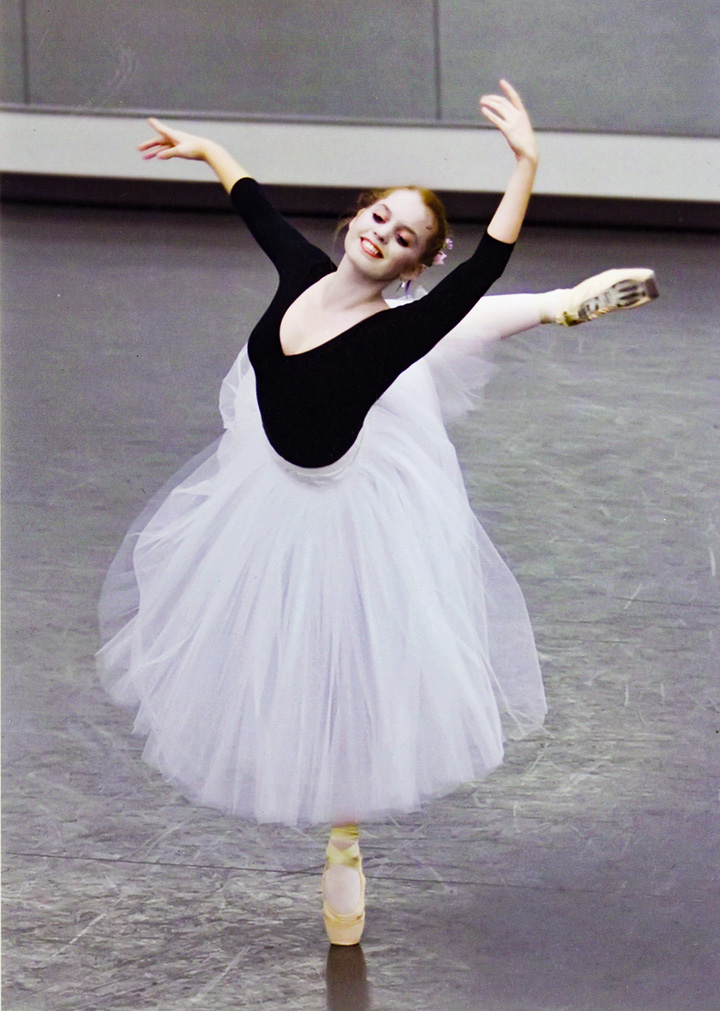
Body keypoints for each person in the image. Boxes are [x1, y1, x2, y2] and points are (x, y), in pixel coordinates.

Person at [97, 81, 657, 947]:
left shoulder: (398, 323)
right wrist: (205, 149)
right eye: (377, 218)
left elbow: (482, 266)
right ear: (354, 219)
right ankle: (557, 306)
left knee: (443, 337)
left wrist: (527, 163)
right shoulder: (303, 273)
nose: (382, 234)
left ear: (412, 263)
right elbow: (254, 204)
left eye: (403, 238)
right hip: (268, 483)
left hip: (348, 502)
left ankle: (345, 841)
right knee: (271, 641)